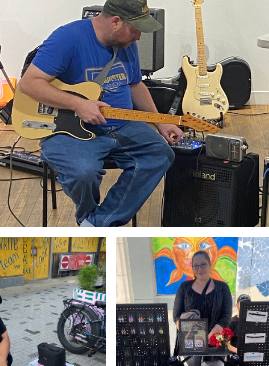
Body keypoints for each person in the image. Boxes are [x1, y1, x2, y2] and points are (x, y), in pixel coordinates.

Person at [18, 0, 181, 227]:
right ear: (115, 22)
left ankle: (95, 224)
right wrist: (77, 104)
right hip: (70, 129)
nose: (139, 37)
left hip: (121, 125)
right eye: (135, 30)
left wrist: (159, 122)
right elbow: (28, 84)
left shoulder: (125, 44)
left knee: (161, 154)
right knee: (83, 173)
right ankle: (94, 221)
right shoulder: (67, 38)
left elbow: (135, 84)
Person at [173, 251, 232, 366]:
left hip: (215, 344)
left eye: (203, 264)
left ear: (210, 265)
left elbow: (226, 316)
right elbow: (176, 315)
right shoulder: (184, 288)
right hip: (192, 345)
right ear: (193, 267)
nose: (200, 268)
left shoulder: (222, 288)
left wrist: (209, 337)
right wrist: (187, 333)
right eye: (196, 265)